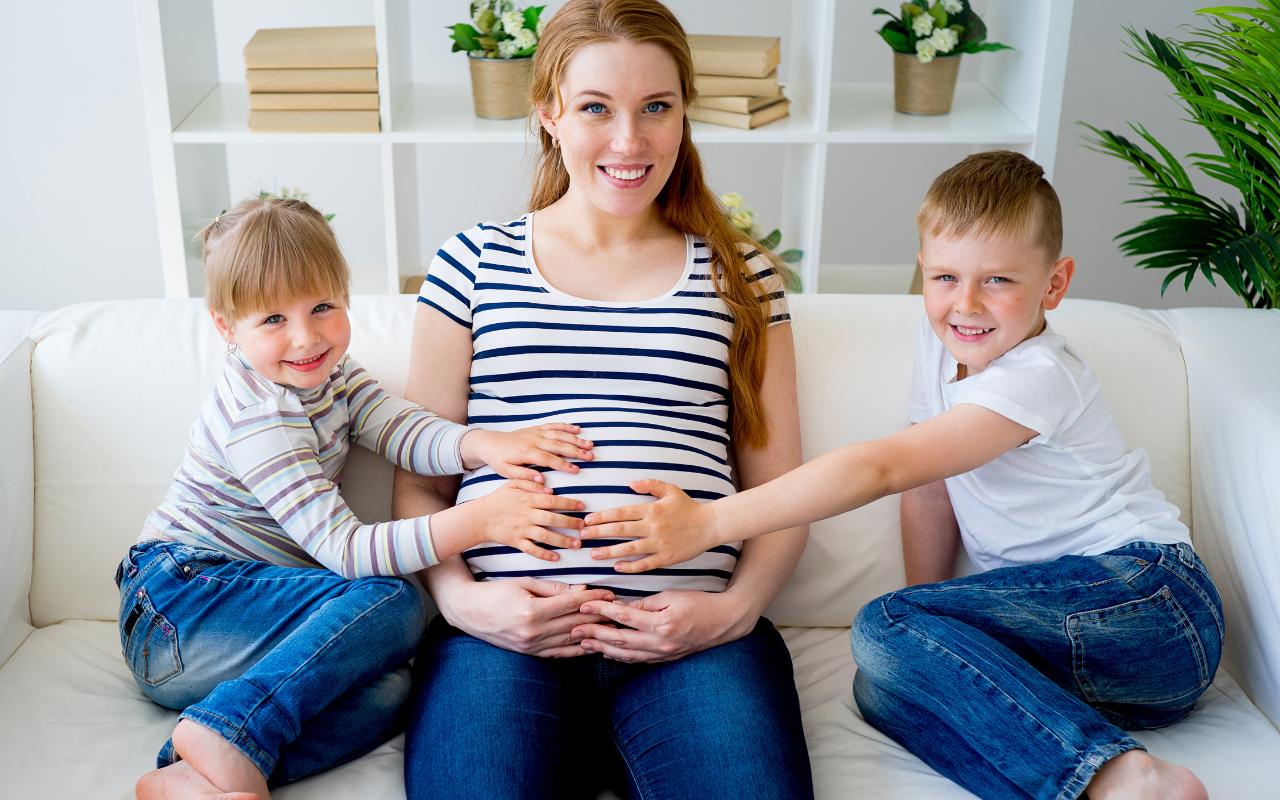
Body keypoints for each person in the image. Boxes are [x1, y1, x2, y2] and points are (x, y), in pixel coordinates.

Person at [582, 151, 1222, 800]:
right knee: (882, 686)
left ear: (1055, 285)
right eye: (946, 277)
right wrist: (926, 629)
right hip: (1079, 656)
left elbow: (886, 467)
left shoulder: (1038, 376)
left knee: (883, 626)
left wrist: (711, 521)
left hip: (1152, 603)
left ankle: (1123, 778)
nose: (966, 304)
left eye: (998, 280)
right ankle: (1078, 778)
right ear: (923, 272)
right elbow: (928, 486)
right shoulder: (942, 345)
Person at [392, 1, 814, 797]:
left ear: (685, 112)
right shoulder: (471, 263)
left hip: (692, 637)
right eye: (596, 108)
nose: (630, 142)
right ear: (549, 113)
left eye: (657, 107)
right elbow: (421, 474)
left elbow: (783, 491)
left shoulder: (742, 275)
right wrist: (463, 603)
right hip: (503, 642)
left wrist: (733, 613)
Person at [120, 197, 594, 800]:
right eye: (272, 320)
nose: (305, 337)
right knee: (394, 601)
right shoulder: (259, 416)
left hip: (238, 634)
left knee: (395, 690)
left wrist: (487, 447)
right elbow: (346, 551)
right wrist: (478, 520)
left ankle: (187, 768)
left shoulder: (337, 378)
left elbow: (402, 428)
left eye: (322, 307)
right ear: (225, 326)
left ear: (347, 297)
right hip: (181, 603)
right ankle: (230, 734)